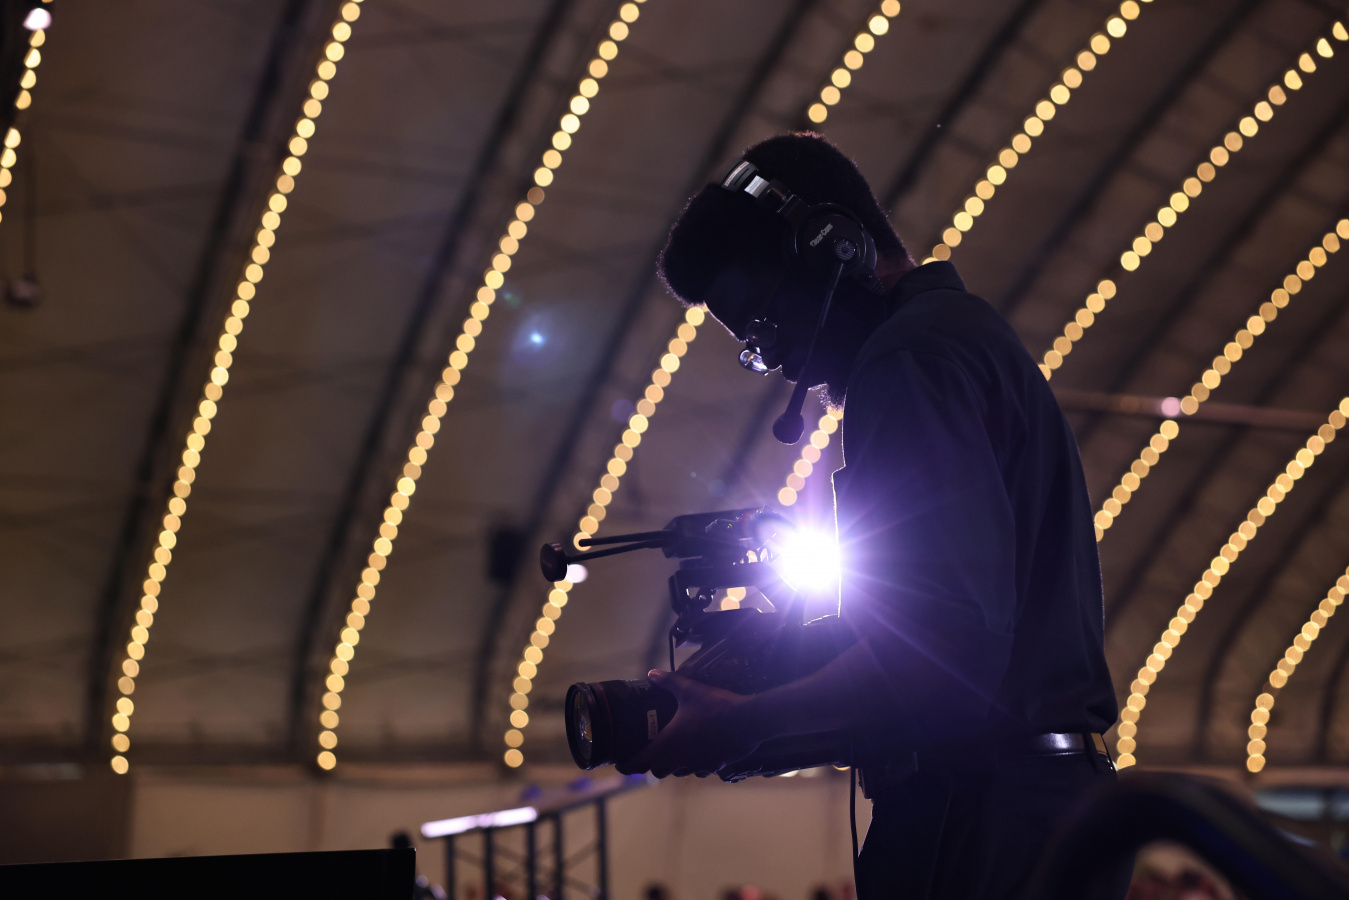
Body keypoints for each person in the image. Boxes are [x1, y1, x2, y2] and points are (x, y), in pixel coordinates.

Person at [618, 133, 1121, 899]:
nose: (777, 359)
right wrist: (765, 679)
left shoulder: (908, 360)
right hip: (1031, 811)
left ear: (831, 246)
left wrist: (745, 722)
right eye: (753, 347)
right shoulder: (962, 336)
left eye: (764, 320)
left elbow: (946, 658)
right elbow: (954, 639)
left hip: (982, 819)